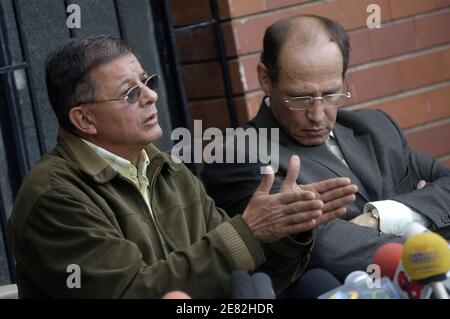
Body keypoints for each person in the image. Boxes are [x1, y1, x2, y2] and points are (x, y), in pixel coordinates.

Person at [7, 36, 357, 298]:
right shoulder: (54, 196)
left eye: (148, 82)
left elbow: (244, 272)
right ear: (84, 119)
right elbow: (133, 293)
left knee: (314, 286)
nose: (152, 96)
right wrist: (249, 231)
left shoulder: (168, 170)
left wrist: (286, 230)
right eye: (131, 93)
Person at [202, 14, 450, 281]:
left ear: (344, 79)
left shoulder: (377, 126)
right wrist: (425, 220)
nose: (318, 115)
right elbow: (320, 250)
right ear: (265, 78)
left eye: (331, 94)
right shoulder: (239, 155)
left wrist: (384, 216)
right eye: (300, 98)